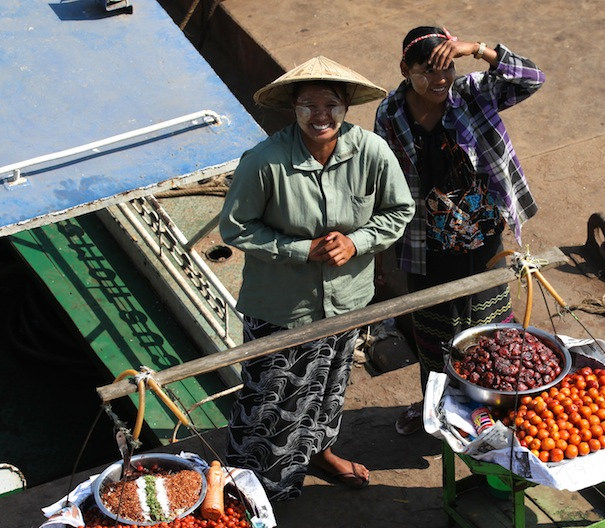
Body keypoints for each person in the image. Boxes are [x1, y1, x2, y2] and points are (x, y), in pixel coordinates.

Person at [219, 56, 414, 500]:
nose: (320, 115)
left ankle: (320, 452)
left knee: (329, 385)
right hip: (283, 306)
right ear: (293, 108)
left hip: (348, 298)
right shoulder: (265, 161)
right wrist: (301, 250)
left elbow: (399, 210)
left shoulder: (371, 151)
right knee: (270, 403)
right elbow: (236, 227)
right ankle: (256, 491)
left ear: (346, 106)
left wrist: (358, 241)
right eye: (308, 105)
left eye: (331, 103)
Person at [374, 26, 545, 435]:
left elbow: (532, 78)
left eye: (446, 68)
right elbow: (384, 174)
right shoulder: (391, 113)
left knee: (489, 328)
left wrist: (479, 49)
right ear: (405, 69)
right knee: (434, 332)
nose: (439, 81)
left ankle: (496, 406)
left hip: (483, 235)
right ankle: (435, 407)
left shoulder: (472, 92)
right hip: (425, 241)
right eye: (427, 72)